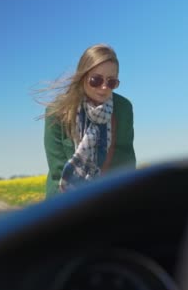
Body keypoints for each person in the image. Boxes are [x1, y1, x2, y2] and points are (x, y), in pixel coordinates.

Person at [40, 44, 136, 198]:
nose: (104, 87)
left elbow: (126, 159)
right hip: (64, 199)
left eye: (111, 82)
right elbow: (58, 170)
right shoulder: (56, 111)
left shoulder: (123, 108)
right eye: (96, 80)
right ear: (83, 76)